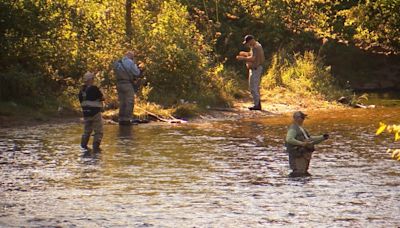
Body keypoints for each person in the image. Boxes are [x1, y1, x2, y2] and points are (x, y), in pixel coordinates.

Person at [285, 111, 329, 177]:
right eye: (302, 117)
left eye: (304, 117)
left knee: (303, 173)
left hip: (303, 155)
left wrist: (322, 137)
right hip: (297, 155)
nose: (303, 119)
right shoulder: (293, 129)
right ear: (296, 118)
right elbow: (289, 139)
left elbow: (310, 139)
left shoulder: (302, 129)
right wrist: (302, 144)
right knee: (299, 173)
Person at [236, 35, 265, 110]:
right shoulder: (257, 45)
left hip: (256, 69)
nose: (247, 44)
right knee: (254, 87)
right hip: (255, 69)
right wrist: (245, 54)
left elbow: (252, 59)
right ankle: (257, 104)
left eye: (248, 42)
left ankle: (257, 105)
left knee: (253, 88)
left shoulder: (256, 47)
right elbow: (253, 55)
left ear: (252, 40)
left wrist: (242, 58)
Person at [113, 51, 141, 125]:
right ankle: (127, 120)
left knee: (122, 102)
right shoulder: (130, 62)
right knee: (129, 102)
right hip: (127, 83)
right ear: (131, 57)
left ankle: (121, 119)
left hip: (119, 84)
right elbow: (137, 73)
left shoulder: (117, 62)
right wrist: (135, 65)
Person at [78, 72, 104, 151]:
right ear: (90, 80)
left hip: (86, 113)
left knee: (87, 131)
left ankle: (83, 146)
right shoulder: (94, 88)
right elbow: (102, 97)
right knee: (99, 131)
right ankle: (96, 147)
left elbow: (81, 101)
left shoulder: (81, 91)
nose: (93, 80)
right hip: (95, 113)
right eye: (93, 79)